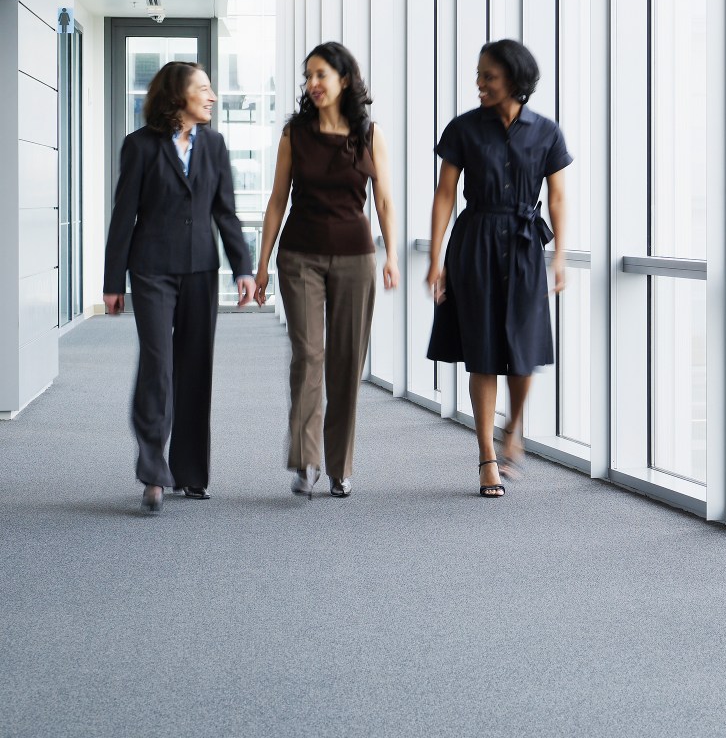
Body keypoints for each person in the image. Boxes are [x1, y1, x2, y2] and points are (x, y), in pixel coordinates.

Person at [103, 61, 257, 513]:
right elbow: (123, 215)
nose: (211, 97)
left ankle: (189, 473)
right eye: (203, 89)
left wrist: (242, 270)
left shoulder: (214, 144)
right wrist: (114, 281)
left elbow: (225, 212)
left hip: (200, 270)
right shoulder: (140, 146)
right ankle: (153, 470)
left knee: (195, 365)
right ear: (178, 96)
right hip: (151, 268)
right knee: (158, 363)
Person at [426, 40, 571, 497]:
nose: (480, 83)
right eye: (479, 75)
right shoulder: (463, 129)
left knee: (523, 354)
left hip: (526, 245)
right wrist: (435, 258)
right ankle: (487, 456)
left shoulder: (546, 132)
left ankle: (515, 428)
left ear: (514, 79)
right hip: (475, 244)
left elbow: (558, 196)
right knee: (484, 351)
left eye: (489, 76)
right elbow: (445, 195)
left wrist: (561, 255)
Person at [254, 42, 399, 498]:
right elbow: (277, 200)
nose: (312, 84)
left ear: (344, 80)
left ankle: (340, 465)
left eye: (321, 75)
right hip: (299, 256)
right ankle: (305, 459)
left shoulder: (369, 134)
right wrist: (261, 266)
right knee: (308, 356)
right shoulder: (294, 134)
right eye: (308, 77)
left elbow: (385, 201)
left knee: (345, 361)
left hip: (356, 258)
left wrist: (392, 255)